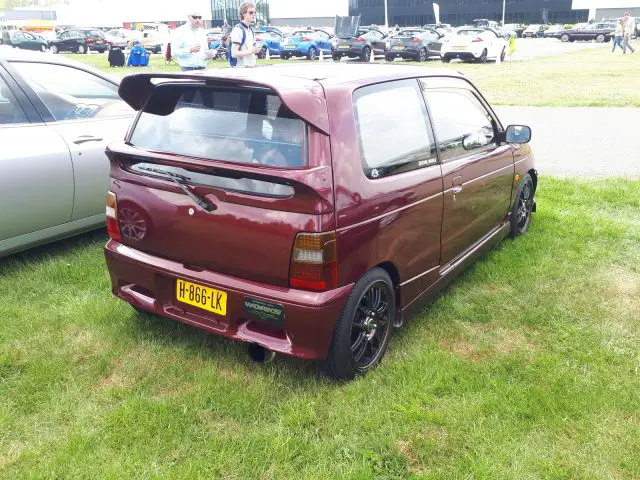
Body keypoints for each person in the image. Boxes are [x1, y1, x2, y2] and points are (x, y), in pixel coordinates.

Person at [229, 2, 261, 67]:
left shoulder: (251, 30)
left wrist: (256, 50)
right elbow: (234, 53)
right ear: (243, 14)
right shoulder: (238, 30)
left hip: (251, 68)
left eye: (255, 12)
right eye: (251, 12)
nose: (254, 14)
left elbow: (251, 50)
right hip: (240, 70)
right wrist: (251, 51)